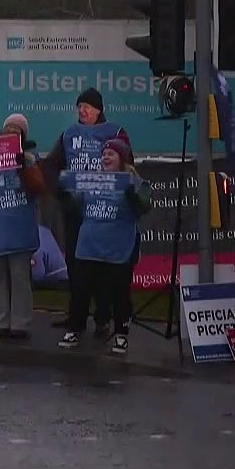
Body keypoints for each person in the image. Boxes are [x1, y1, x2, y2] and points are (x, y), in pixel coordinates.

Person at [57, 134, 150, 354]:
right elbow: (75, 204)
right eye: (104, 154)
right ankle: (75, 329)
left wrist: (133, 196)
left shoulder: (133, 180)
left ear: (122, 158)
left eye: (111, 153)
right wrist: (63, 195)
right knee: (80, 290)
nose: (105, 157)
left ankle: (121, 334)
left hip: (118, 248)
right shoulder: (92, 179)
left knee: (119, 293)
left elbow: (145, 207)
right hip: (89, 246)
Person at [40, 88, 120, 331]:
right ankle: (76, 316)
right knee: (76, 264)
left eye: (87, 106)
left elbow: (126, 165)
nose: (82, 110)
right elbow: (51, 166)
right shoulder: (69, 135)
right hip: (75, 211)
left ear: (99, 110)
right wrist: (61, 192)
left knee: (101, 264)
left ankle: (103, 317)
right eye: (79, 106)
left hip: (103, 211)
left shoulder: (114, 134)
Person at [0, 114, 45, 339]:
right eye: (8, 128)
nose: (11, 132)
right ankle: (0, 322)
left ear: (22, 135)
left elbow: (37, 188)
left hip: (18, 227)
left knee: (20, 277)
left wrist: (22, 166)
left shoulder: (30, 160)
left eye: (17, 130)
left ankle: (20, 324)